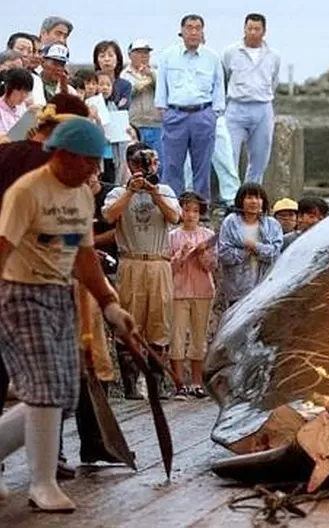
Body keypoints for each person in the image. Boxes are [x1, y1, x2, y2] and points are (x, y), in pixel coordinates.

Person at [0, 117, 136, 511]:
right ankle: (42, 484)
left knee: (61, 394)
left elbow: (84, 254)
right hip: (19, 292)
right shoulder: (27, 192)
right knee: (43, 386)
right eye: (87, 161)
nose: (95, 170)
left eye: (97, 163)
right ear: (60, 154)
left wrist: (110, 305)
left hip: (58, 293)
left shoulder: (81, 196)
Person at [102, 142, 181, 400]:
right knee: (129, 321)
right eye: (141, 163)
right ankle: (131, 384)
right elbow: (109, 217)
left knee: (160, 322)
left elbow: (173, 217)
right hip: (131, 260)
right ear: (130, 165)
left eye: (152, 162)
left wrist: (154, 192)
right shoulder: (117, 192)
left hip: (159, 261)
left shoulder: (166, 190)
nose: (148, 168)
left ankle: (157, 384)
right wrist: (130, 191)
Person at [155, 14, 226, 204]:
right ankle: (171, 207)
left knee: (202, 166)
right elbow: (161, 86)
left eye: (198, 28)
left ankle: (201, 209)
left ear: (203, 32)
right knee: (172, 165)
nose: (193, 32)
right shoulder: (167, 56)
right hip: (175, 114)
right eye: (189, 27)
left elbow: (219, 86)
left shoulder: (212, 57)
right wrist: (164, 110)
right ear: (182, 31)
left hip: (203, 114)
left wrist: (214, 114)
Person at [223, 13, 280, 184]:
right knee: (229, 155)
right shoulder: (231, 52)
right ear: (244, 29)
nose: (253, 32)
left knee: (260, 157)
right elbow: (225, 77)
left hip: (262, 107)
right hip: (236, 107)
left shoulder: (273, 55)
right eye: (250, 29)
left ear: (264, 31)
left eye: (257, 29)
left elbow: (274, 81)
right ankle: (231, 198)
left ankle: (252, 193)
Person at [168, 191, 216, 399]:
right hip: (177, 292)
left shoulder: (207, 235)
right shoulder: (171, 236)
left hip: (202, 291)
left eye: (195, 211)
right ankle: (179, 384)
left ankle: (196, 382)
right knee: (176, 337)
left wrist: (202, 253)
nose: (190, 215)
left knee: (199, 337)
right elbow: (169, 268)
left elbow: (212, 266)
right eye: (186, 210)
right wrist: (182, 254)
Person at [217, 183, 282, 307]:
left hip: (265, 289)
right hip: (237, 289)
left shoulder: (272, 225)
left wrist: (255, 246)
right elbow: (224, 254)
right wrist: (244, 253)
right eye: (249, 198)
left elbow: (275, 254)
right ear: (241, 200)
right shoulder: (231, 222)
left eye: (258, 198)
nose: (254, 202)